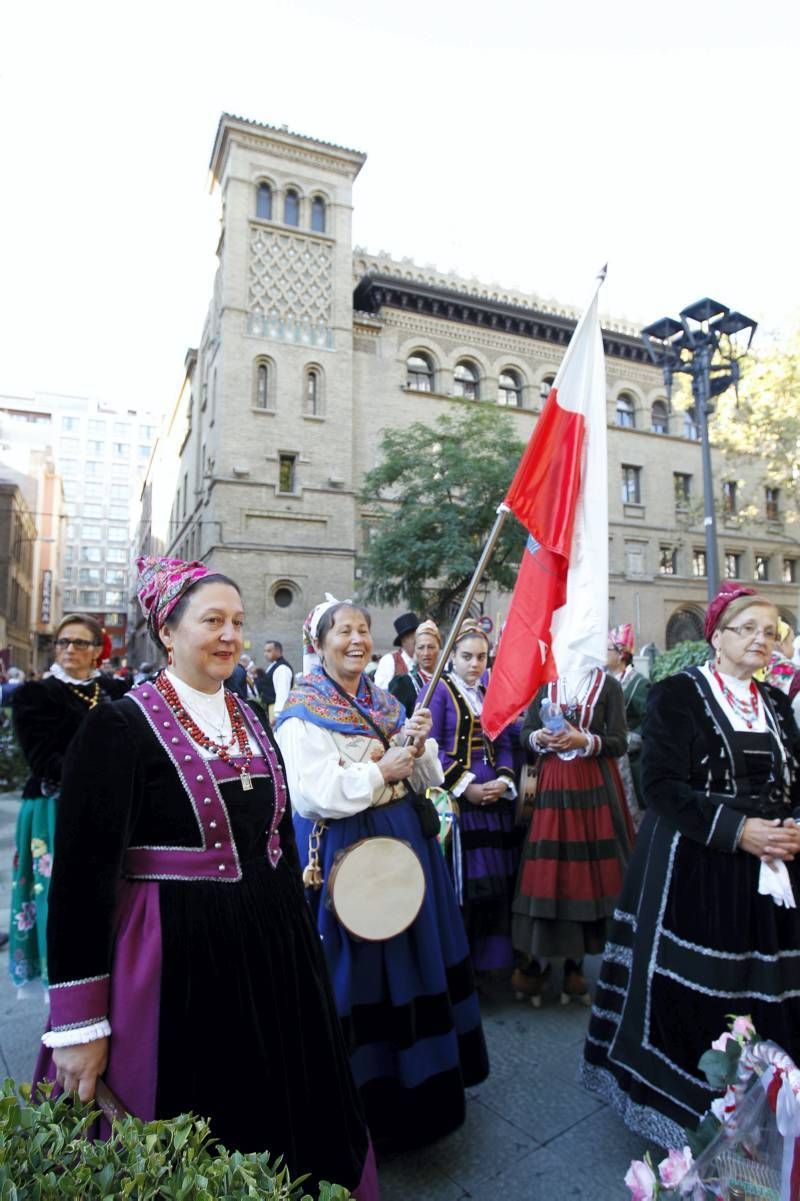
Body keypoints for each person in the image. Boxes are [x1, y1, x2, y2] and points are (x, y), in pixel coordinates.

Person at [34, 558, 376, 1199]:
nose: (229, 635)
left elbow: (272, 838)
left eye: (238, 622)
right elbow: (80, 880)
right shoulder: (116, 727)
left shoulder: (251, 715)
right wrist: (79, 1023)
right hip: (173, 966)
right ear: (167, 630)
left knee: (284, 1123)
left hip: (272, 958)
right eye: (212, 620)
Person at [581, 583, 800, 1149]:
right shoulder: (678, 693)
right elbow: (660, 785)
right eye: (747, 627)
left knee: (770, 988)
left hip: (770, 869)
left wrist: (789, 826)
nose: (761, 639)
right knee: (705, 992)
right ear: (718, 636)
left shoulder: (775, 701)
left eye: (769, 630)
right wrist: (739, 831)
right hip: (697, 867)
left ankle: (766, 1110)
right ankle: (697, 1114)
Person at [275, 597, 489, 1150]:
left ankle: (429, 1093)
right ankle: (367, 1108)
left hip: (406, 849)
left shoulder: (385, 703)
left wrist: (419, 749)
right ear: (318, 643)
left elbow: (426, 777)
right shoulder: (302, 712)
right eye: (342, 630)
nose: (355, 639)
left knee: (415, 962)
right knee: (362, 970)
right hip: (349, 856)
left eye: (362, 629)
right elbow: (310, 794)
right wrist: (378, 770)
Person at [8, 615, 127, 988]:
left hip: (111, 811)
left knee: (111, 898)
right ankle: (62, 984)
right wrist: (105, 778)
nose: (69, 649)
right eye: (63, 643)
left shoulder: (117, 691)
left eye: (79, 643)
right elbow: (44, 761)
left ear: (97, 651)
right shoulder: (35, 694)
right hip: (54, 810)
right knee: (61, 899)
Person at [511, 663, 632, 1007]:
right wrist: (540, 738)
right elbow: (526, 733)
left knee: (586, 876)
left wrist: (584, 740)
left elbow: (619, 741)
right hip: (551, 785)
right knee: (547, 873)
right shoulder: (545, 682)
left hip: (593, 786)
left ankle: (576, 967)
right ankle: (538, 960)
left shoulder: (608, 685)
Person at [426, 621, 519, 975]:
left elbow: (506, 742)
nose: (474, 664)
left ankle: (491, 964)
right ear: (452, 656)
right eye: (466, 656)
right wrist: (467, 787)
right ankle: (461, 970)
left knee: (494, 887)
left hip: (493, 803)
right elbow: (429, 750)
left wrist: (504, 780)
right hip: (457, 806)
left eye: (481, 657)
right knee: (464, 888)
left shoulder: (491, 691)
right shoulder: (437, 690)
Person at [607, 623, 649, 823]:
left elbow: (649, 721)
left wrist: (627, 739)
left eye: (607, 649)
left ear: (621, 653)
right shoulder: (602, 681)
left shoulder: (639, 683)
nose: (602, 653)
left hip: (629, 760)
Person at [388, 618, 441, 718]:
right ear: (415, 649)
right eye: (421, 647)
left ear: (439, 648)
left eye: (431, 647)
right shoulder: (404, 684)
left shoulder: (448, 680)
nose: (426, 653)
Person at [373, 611, 419, 689]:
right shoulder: (389, 661)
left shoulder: (426, 660)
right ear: (403, 641)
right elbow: (380, 691)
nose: (419, 643)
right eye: (413, 639)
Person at [260, 639, 294, 724]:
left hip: (276, 709)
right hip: (271, 707)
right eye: (265, 651)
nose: (265, 654)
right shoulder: (274, 665)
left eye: (269, 651)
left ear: (278, 651)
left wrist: (278, 714)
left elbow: (282, 692)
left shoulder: (282, 668)